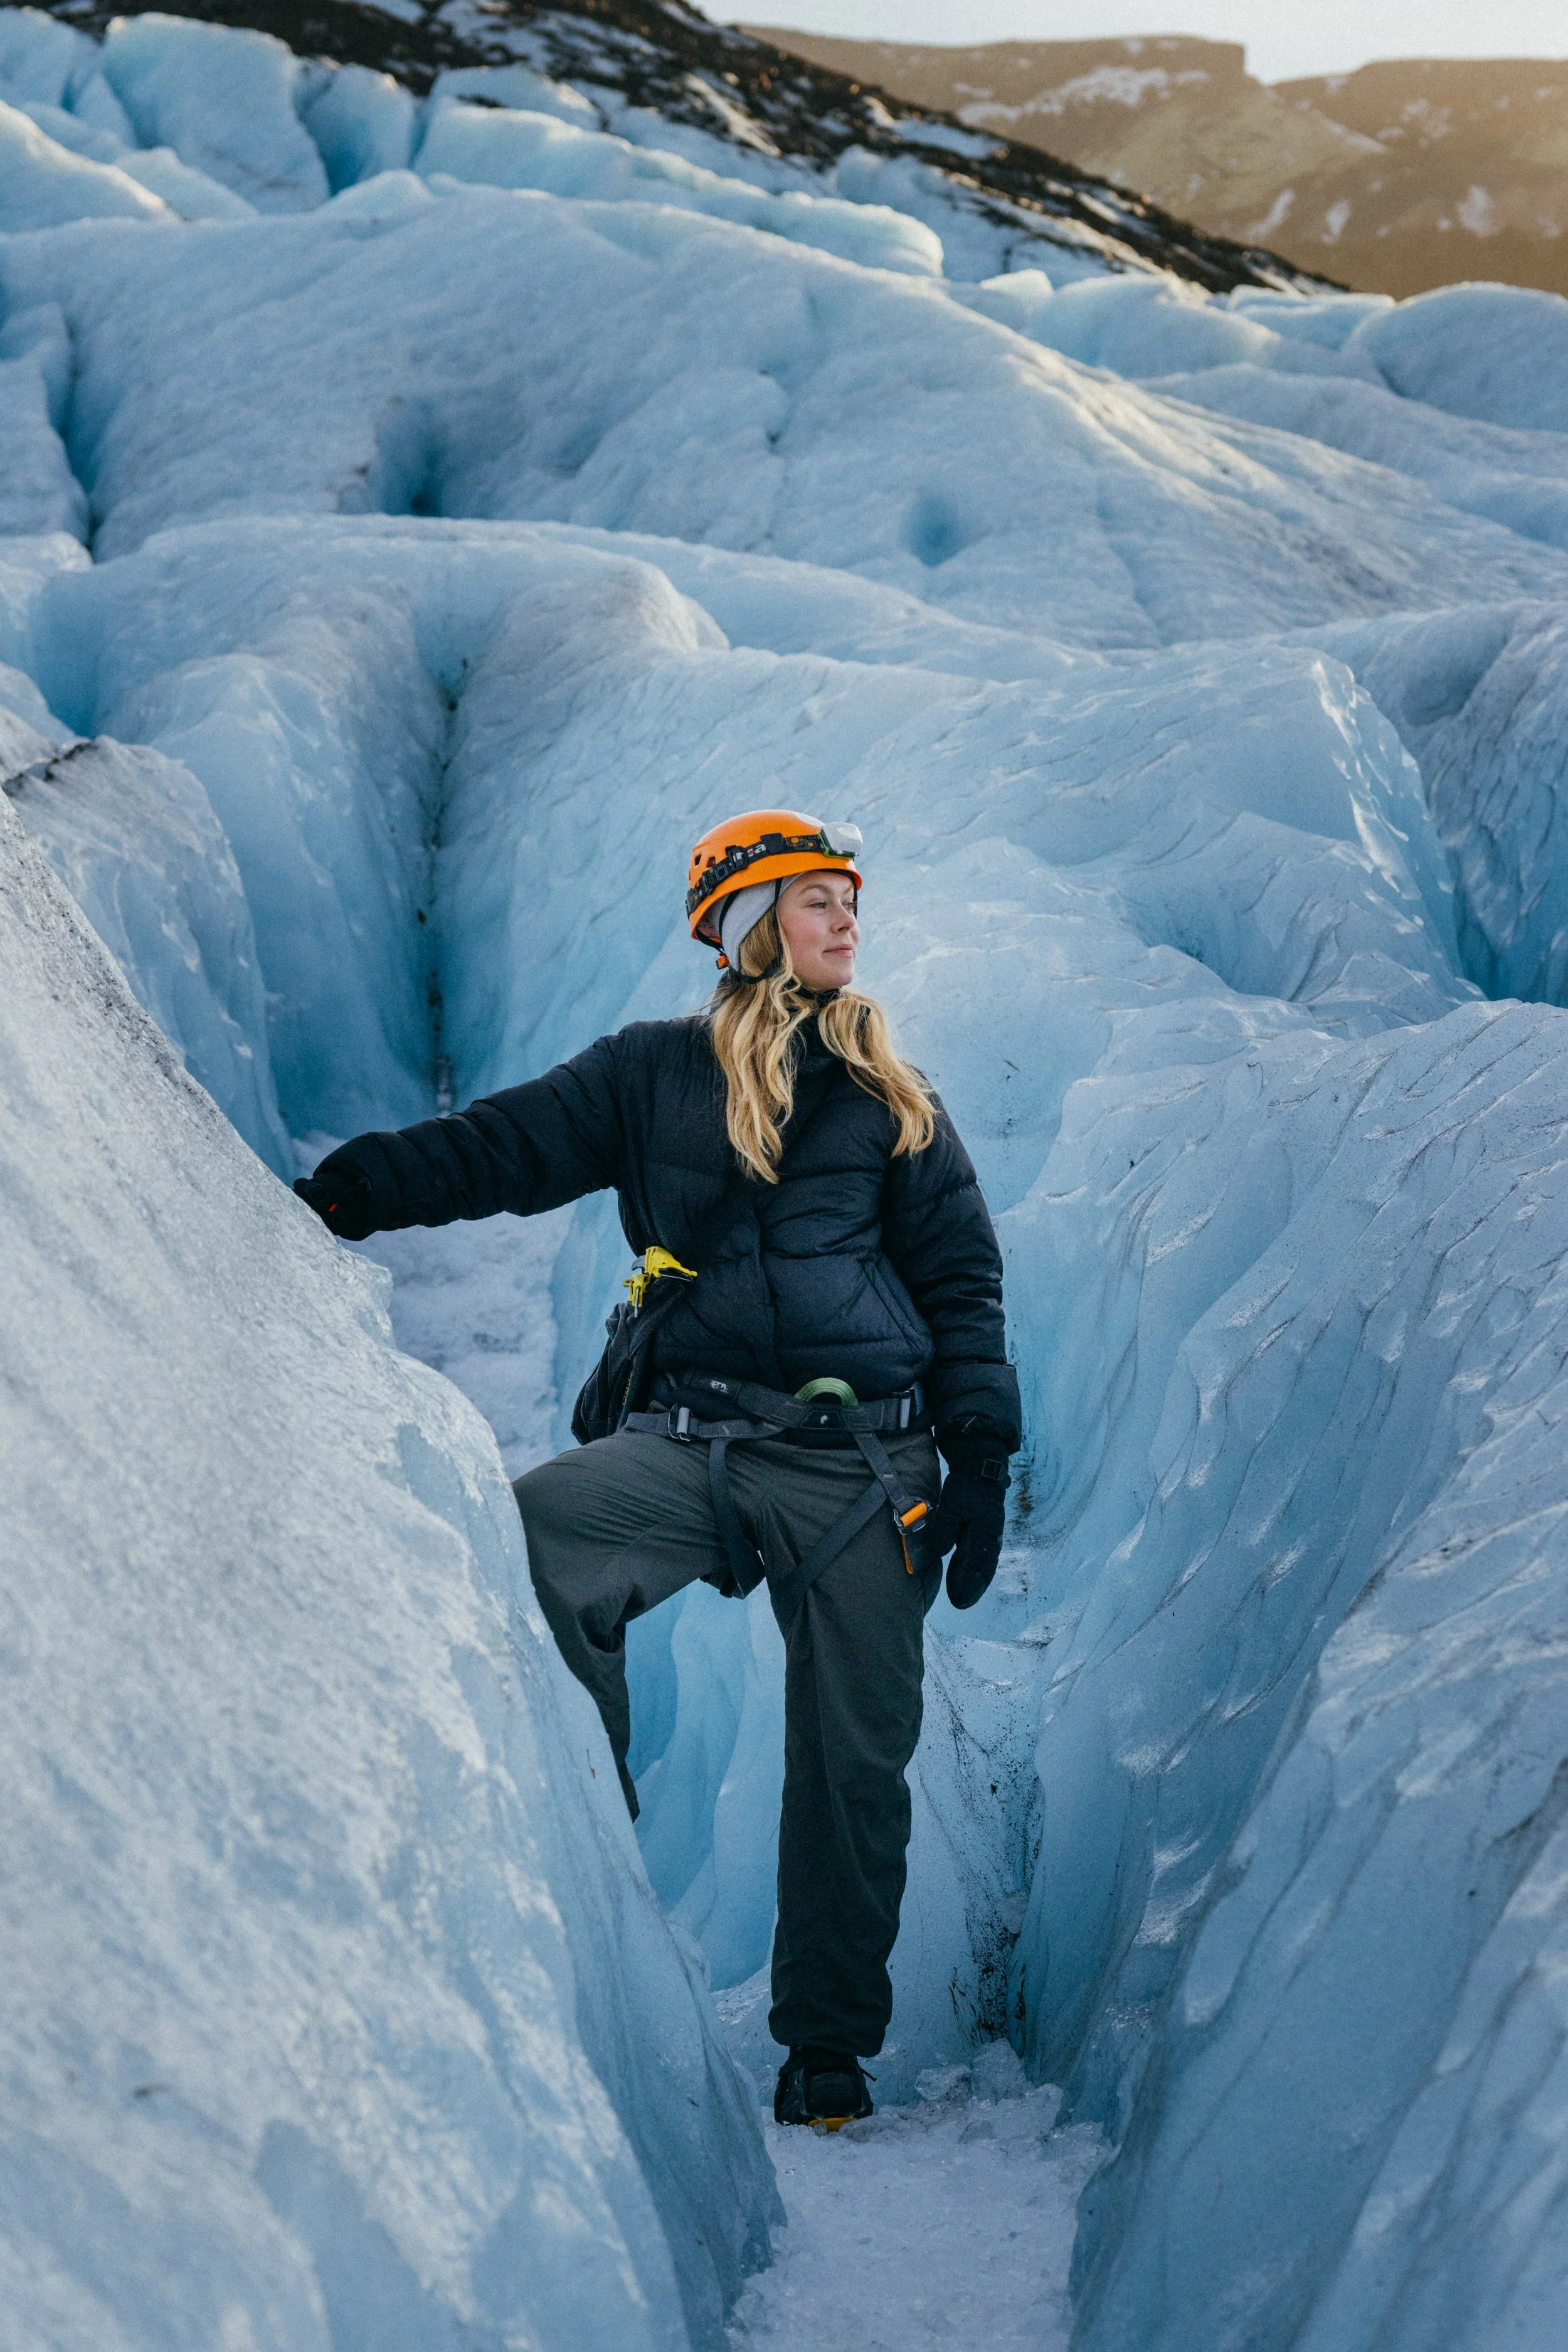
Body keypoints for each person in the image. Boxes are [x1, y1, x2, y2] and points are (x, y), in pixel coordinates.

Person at [295, 809, 1020, 2128]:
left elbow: (963, 1288)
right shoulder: (650, 1074)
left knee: (852, 1759)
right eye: (815, 902)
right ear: (752, 928)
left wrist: (979, 1460)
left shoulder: (893, 1101)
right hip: (691, 1443)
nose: (845, 922)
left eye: (850, 901)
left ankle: (825, 2052)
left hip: (863, 1462)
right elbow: (501, 1148)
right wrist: (353, 1189)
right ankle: (589, 1858)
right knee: (530, 1542)